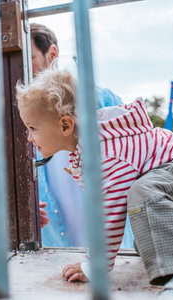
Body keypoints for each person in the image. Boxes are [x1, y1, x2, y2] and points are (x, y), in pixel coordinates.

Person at [16, 68, 173, 296]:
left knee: (142, 192)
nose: (29, 137)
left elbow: (111, 214)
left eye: (32, 128)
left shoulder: (104, 153)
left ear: (65, 125)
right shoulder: (87, 151)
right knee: (150, 241)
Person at [30, 23, 133, 248]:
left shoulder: (105, 102)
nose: (23, 71)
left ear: (52, 55)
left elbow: (135, 170)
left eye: (30, 60)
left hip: (113, 249)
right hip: (57, 248)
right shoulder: (25, 117)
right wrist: (25, 207)